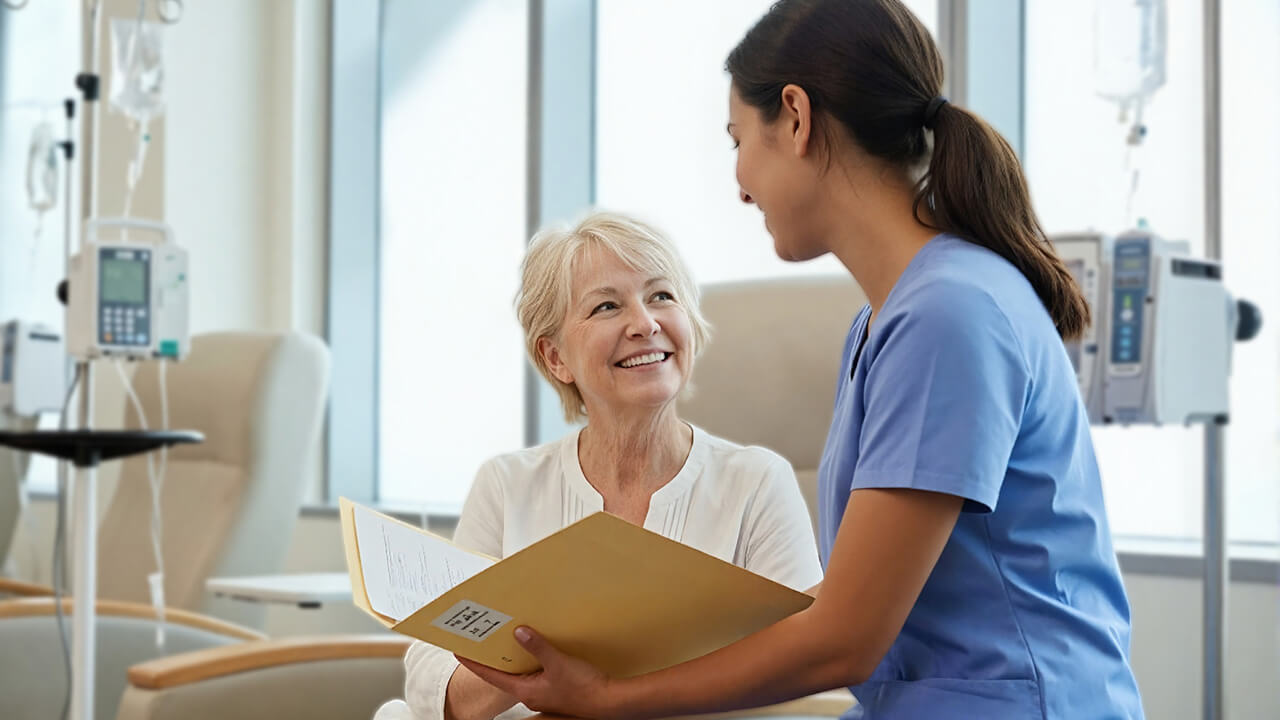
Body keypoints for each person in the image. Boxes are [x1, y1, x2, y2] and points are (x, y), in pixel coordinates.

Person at [457, 1, 1145, 718]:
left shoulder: (947, 316)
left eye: (737, 140)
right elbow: (846, 605)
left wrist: (611, 697)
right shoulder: (887, 322)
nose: (739, 181)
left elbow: (844, 640)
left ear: (794, 116)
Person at [372, 211, 823, 720]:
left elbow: (802, 662)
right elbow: (435, 684)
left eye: (661, 296)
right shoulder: (507, 485)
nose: (645, 323)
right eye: (607, 306)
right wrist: (535, 661)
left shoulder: (756, 482)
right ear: (555, 357)